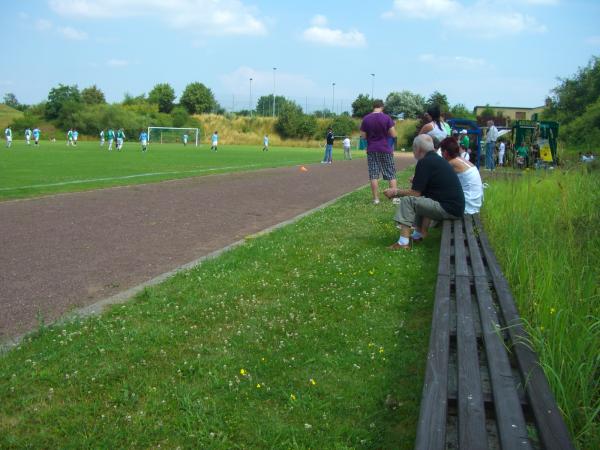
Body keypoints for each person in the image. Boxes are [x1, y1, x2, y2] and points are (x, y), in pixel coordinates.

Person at [383, 134, 464, 250]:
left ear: (418, 149)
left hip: (449, 209)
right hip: (455, 208)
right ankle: (418, 234)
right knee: (419, 201)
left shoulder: (425, 162)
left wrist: (395, 192)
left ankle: (403, 243)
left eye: (413, 148)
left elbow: (415, 193)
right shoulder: (436, 159)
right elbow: (422, 193)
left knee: (408, 201)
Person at [360, 99, 398, 204]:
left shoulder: (366, 119)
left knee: (373, 174)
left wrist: (367, 145)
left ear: (373, 106)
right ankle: (395, 199)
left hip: (372, 149)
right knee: (391, 173)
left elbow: (363, 136)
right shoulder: (386, 118)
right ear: (382, 107)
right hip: (385, 148)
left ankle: (376, 199)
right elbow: (394, 134)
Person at [440, 137, 483, 215]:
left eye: (441, 152)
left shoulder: (451, 163)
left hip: (467, 207)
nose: (441, 155)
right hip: (474, 204)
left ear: (445, 152)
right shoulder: (462, 160)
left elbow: (437, 180)